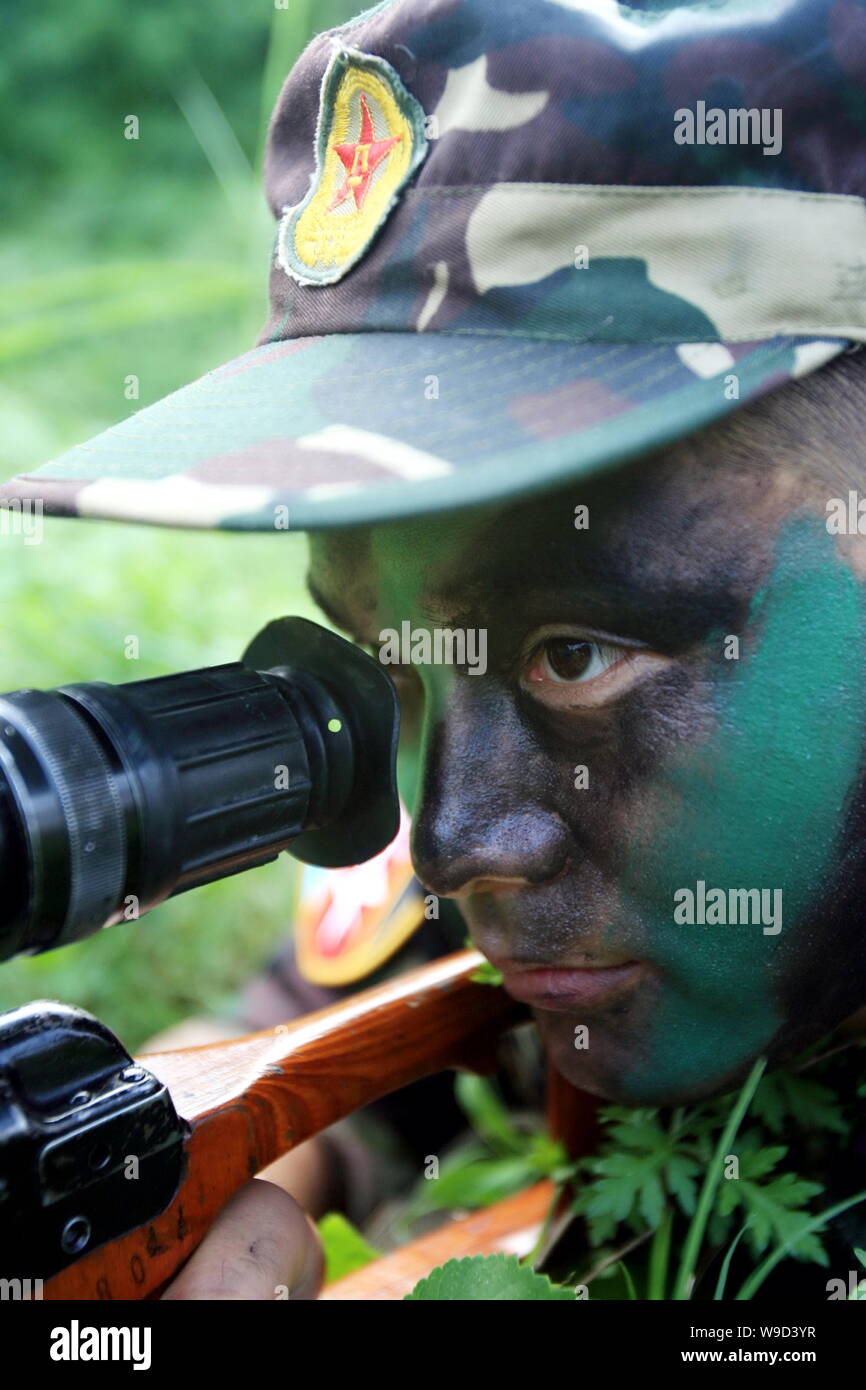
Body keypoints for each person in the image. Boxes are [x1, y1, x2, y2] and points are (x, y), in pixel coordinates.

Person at [7, 0, 866, 1298]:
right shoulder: (522, 806)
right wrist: (191, 1206)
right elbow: (296, 1036)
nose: (450, 835)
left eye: (573, 656)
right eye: (389, 662)